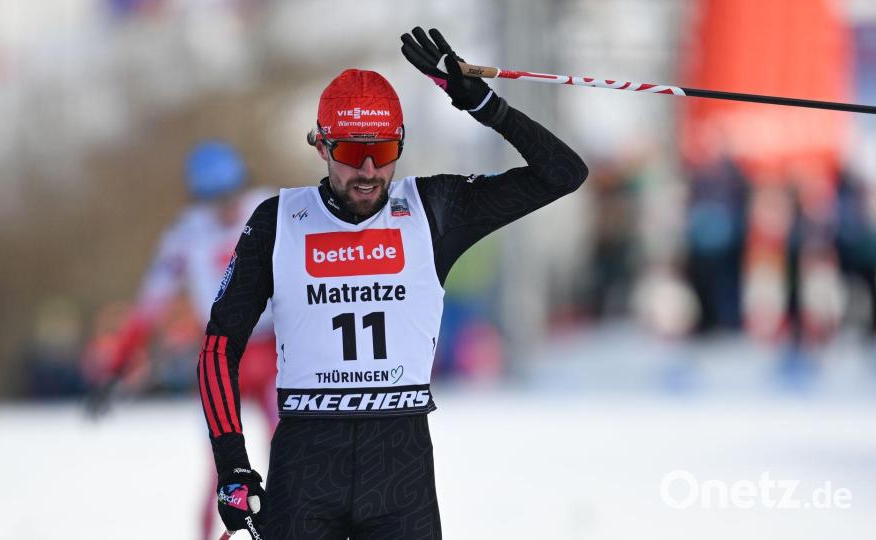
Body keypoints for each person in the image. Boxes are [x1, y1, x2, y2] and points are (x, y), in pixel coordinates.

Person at [201, 28, 588, 539]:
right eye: (351, 150)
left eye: (382, 150)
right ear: (321, 144)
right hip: (306, 464)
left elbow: (563, 173)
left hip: (399, 466)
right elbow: (218, 346)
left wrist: (484, 105)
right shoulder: (277, 221)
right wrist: (232, 467)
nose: (367, 170)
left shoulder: (436, 209)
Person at [83, 140, 277, 540]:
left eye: (233, 192)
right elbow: (149, 307)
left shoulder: (271, 208)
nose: (227, 206)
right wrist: (118, 366)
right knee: (222, 468)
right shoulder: (186, 234)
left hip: (279, 351)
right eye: (216, 198)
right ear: (200, 199)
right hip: (224, 357)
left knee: (291, 453)